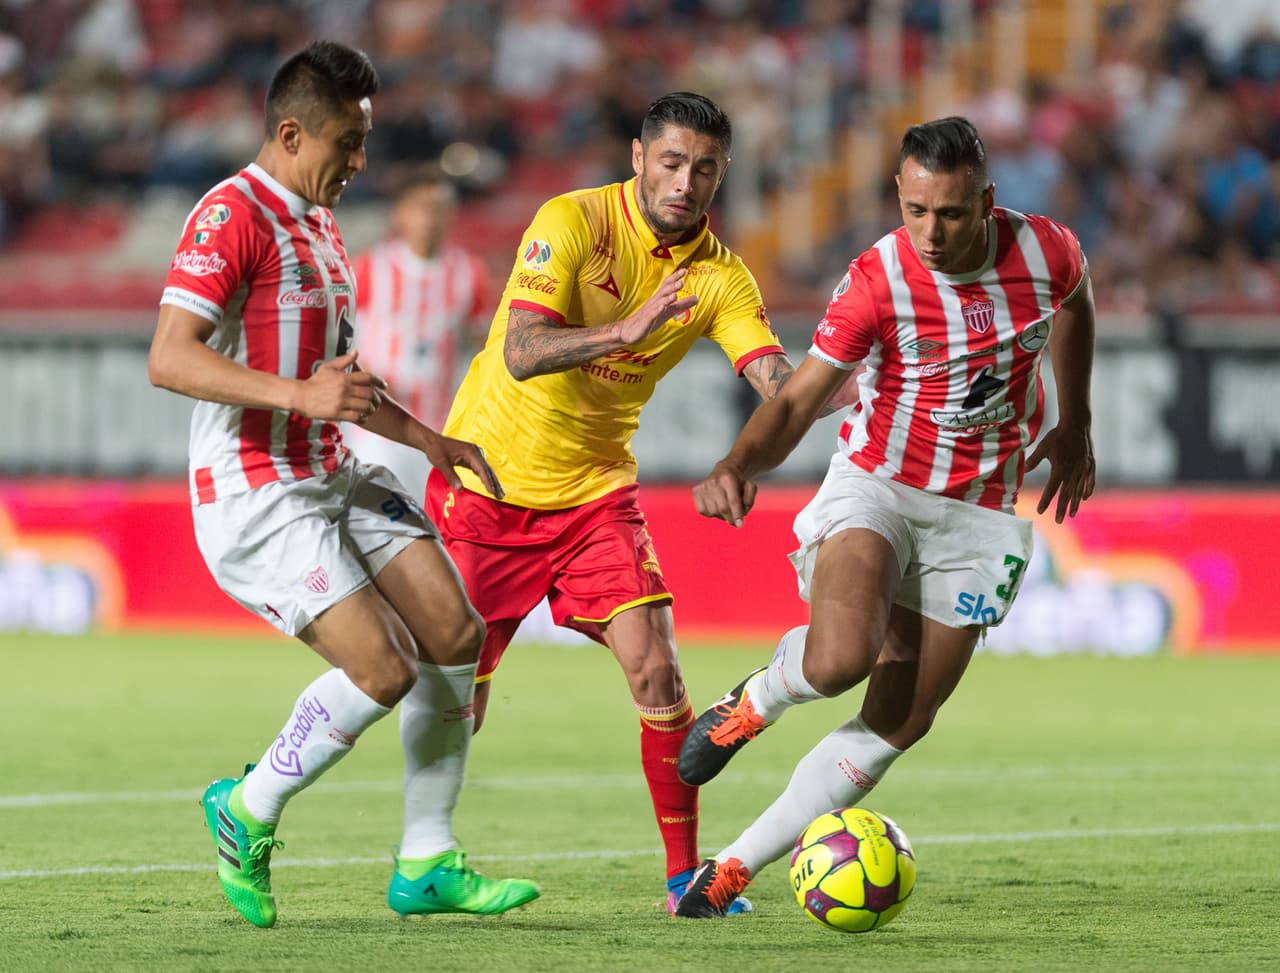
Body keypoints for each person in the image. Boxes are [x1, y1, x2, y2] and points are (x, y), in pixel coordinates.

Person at [147, 40, 538, 928]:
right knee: (381, 666)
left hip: (330, 466)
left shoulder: (319, 224)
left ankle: (428, 860)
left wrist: (429, 439)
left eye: (364, 143)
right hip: (256, 490)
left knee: (454, 628)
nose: (360, 163)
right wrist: (297, 394)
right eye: (346, 144)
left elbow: (342, 381)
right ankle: (244, 808)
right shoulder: (230, 214)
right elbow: (168, 358)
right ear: (290, 133)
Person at [673, 115, 1097, 917]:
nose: (931, 233)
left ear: (988, 202)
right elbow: (799, 396)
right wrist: (737, 464)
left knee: (904, 716)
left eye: (951, 213)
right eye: (915, 211)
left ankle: (730, 867)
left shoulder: (1046, 251)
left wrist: (1074, 419)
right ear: (899, 198)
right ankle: (757, 699)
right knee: (837, 660)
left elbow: (1076, 301)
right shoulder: (879, 278)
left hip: (978, 512)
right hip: (880, 484)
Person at [427, 91, 797, 914]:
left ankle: (682, 879)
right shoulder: (573, 222)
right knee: (455, 701)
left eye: (703, 169)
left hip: (595, 495)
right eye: (670, 162)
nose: (684, 182)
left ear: (721, 174)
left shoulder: (720, 277)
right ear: (638, 157)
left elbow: (775, 382)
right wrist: (625, 331)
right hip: (487, 484)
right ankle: (380, 829)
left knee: (658, 668)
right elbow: (521, 351)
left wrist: (853, 380)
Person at [343, 167, 492, 501]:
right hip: (377, 427)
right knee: (383, 523)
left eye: (439, 207)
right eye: (421, 207)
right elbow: (335, 333)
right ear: (402, 212)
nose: (431, 217)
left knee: (430, 527)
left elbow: (484, 342)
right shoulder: (371, 267)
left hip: (440, 425)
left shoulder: (470, 273)